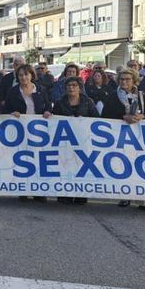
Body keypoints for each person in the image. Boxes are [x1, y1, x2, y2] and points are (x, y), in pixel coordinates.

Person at [102, 69, 145, 211]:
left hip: (140, 136)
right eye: (122, 79)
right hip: (121, 136)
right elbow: (106, 115)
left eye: (127, 79)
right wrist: (123, 117)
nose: (124, 82)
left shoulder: (141, 96)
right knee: (123, 166)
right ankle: (125, 196)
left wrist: (142, 116)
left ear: (134, 81)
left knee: (143, 166)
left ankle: (144, 201)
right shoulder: (113, 96)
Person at [3, 64, 51, 202]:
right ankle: (23, 189)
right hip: (20, 132)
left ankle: (39, 191)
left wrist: (48, 112)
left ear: (31, 75)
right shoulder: (13, 91)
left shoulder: (41, 89)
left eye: (26, 74)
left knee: (39, 160)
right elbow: (5, 109)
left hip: (38, 131)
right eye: (21, 75)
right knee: (22, 160)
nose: (24, 77)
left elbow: (47, 105)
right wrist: (12, 113)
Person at [52, 76, 99, 205]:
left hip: (83, 141)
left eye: (74, 85)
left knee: (81, 167)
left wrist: (83, 120)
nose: (71, 88)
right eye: (69, 86)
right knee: (65, 166)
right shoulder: (59, 102)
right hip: (65, 142)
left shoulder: (88, 102)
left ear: (80, 87)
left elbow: (97, 119)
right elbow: (53, 120)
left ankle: (81, 194)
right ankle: (64, 194)